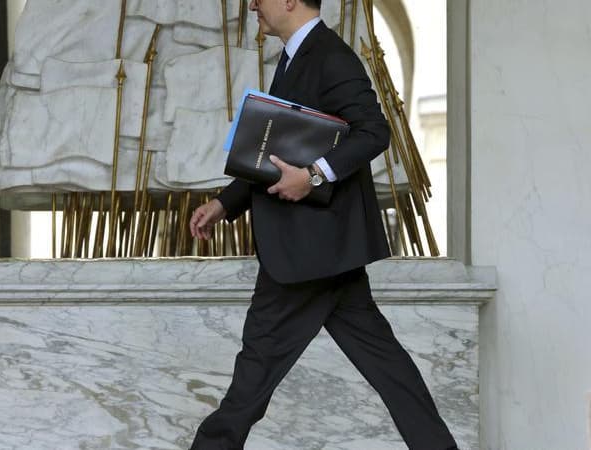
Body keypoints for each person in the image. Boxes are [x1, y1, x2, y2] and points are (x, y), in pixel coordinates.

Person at [187, 1, 458, 449]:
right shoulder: (298, 55)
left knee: (254, 372)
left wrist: (313, 177)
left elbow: (374, 131)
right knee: (388, 368)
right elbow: (276, 148)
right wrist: (225, 202)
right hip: (326, 253)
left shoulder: (330, 56)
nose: (252, 3)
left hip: (308, 255)